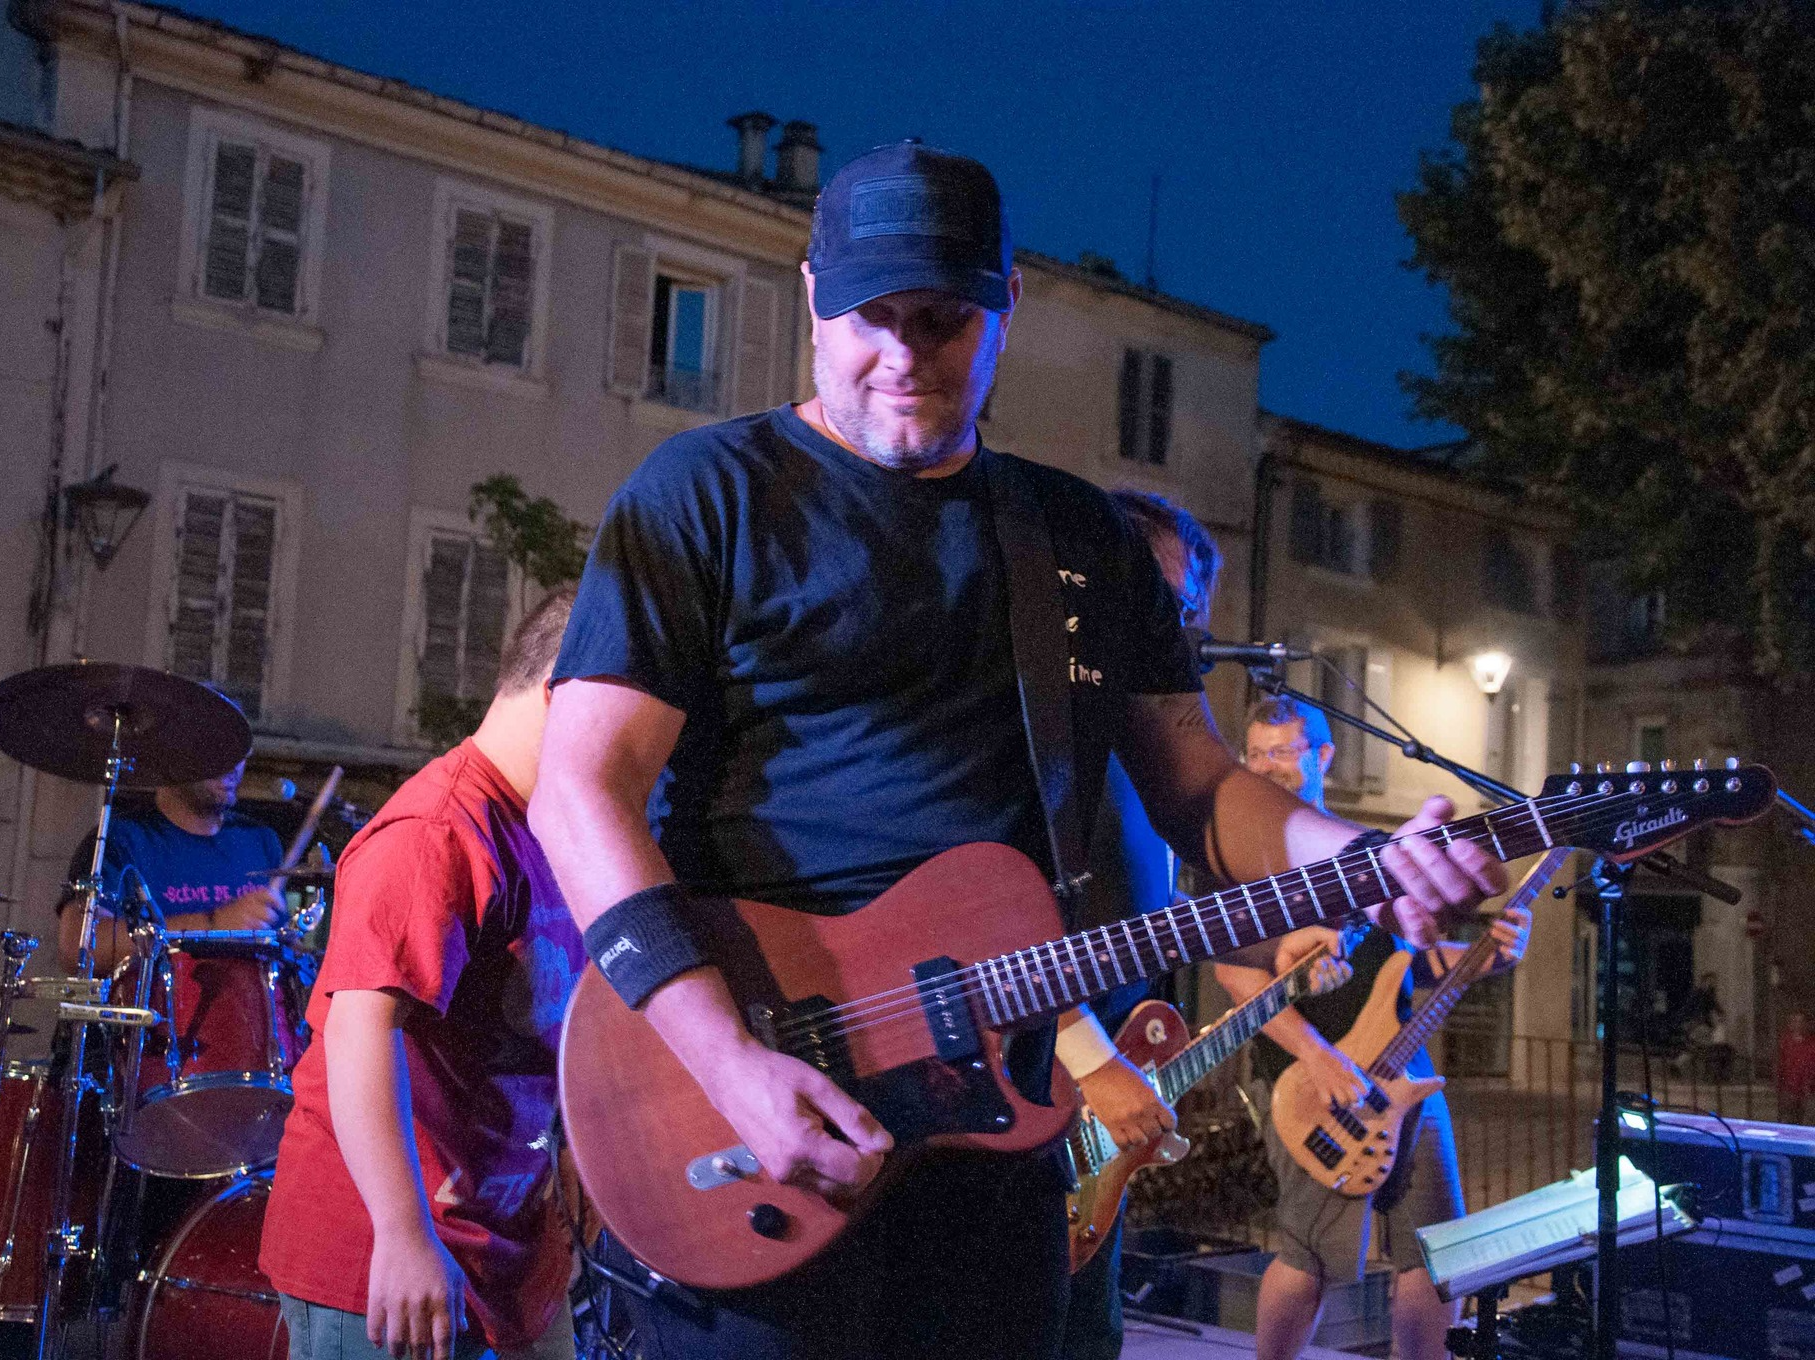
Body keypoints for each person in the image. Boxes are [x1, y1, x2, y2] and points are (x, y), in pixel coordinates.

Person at [530, 139, 1505, 1360]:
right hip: (751, 1101)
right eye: (870, 317)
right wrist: (724, 1059)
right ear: (811, 296)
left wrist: (1358, 856)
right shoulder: (704, 493)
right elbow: (579, 790)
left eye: (941, 320)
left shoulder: (1075, 537)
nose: (903, 355)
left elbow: (1199, 790)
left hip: (994, 1142)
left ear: (1007, 306)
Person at [260, 585, 584, 1360]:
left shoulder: (550, 827)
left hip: (505, 1255)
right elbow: (359, 1029)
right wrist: (402, 1233)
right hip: (390, 1262)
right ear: (565, 692)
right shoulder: (438, 830)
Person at [1214, 695, 1528, 1360]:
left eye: (1283, 751)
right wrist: (1318, 1057)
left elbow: (1413, 960)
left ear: (1323, 756)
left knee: (1434, 1252)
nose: (1266, 768)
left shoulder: (1366, 854)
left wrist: (1492, 957)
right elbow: (1236, 977)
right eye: (1256, 754)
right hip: (1307, 1081)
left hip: (1402, 1073)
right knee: (1308, 1255)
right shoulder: (1243, 864)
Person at [1059, 489, 1220, 1360]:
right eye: (1163, 600)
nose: (1175, 630)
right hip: (1038, 1087)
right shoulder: (1050, 731)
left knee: (1089, 1337)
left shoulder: (1142, 752)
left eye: (1184, 613)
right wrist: (1089, 1058)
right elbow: (983, 916)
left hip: (1095, 1116)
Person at [54, 756, 285, 972]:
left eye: (241, 751)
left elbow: (281, 948)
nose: (233, 765)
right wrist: (213, 926)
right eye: (217, 747)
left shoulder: (260, 840)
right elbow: (77, 947)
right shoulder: (121, 840)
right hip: (157, 1003)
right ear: (172, 749)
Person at [1778, 1010, 1815, 1125]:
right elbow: (1780, 1064)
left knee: (1807, 1122)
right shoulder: (1785, 1043)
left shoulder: (1812, 1043)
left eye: (1800, 1021)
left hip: (1809, 1090)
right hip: (1789, 1089)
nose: (1797, 1025)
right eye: (1794, 1021)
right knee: (1788, 1121)